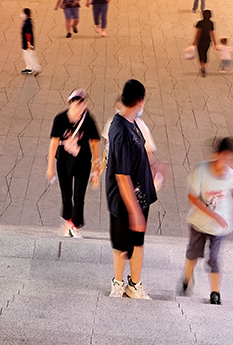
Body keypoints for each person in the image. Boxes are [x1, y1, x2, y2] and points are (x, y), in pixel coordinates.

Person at [105, 78, 158, 299]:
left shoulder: (131, 122)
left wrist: (152, 166)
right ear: (140, 101)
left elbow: (141, 152)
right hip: (125, 201)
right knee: (121, 245)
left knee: (137, 242)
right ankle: (118, 284)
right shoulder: (121, 131)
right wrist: (135, 211)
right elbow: (122, 175)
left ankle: (134, 285)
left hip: (139, 197)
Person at [180, 137, 233, 304]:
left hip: (220, 228)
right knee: (193, 254)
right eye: (225, 158)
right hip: (199, 223)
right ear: (217, 155)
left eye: (232, 160)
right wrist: (213, 214)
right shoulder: (201, 171)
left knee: (214, 258)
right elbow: (192, 197)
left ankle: (215, 293)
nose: (228, 164)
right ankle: (187, 278)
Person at [47, 87, 101, 237]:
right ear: (70, 103)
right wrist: (50, 166)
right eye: (77, 105)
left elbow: (95, 142)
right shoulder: (60, 119)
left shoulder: (88, 120)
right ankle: (67, 222)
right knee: (66, 195)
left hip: (82, 163)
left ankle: (75, 226)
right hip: (64, 162)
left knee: (79, 197)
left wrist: (96, 167)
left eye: (82, 105)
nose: (80, 108)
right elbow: (53, 143)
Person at [193, 8, 215, 78]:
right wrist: (215, 42)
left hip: (200, 40)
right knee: (205, 53)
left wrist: (195, 41)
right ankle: (204, 66)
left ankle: (202, 67)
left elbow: (198, 32)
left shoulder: (200, 23)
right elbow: (212, 33)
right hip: (207, 40)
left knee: (200, 53)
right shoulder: (211, 23)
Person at [21, 8, 40, 77]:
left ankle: (31, 68)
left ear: (26, 14)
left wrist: (28, 43)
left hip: (27, 43)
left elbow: (28, 34)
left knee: (28, 56)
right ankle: (30, 68)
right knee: (29, 55)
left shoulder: (27, 23)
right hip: (28, 42)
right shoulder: (29, 21)